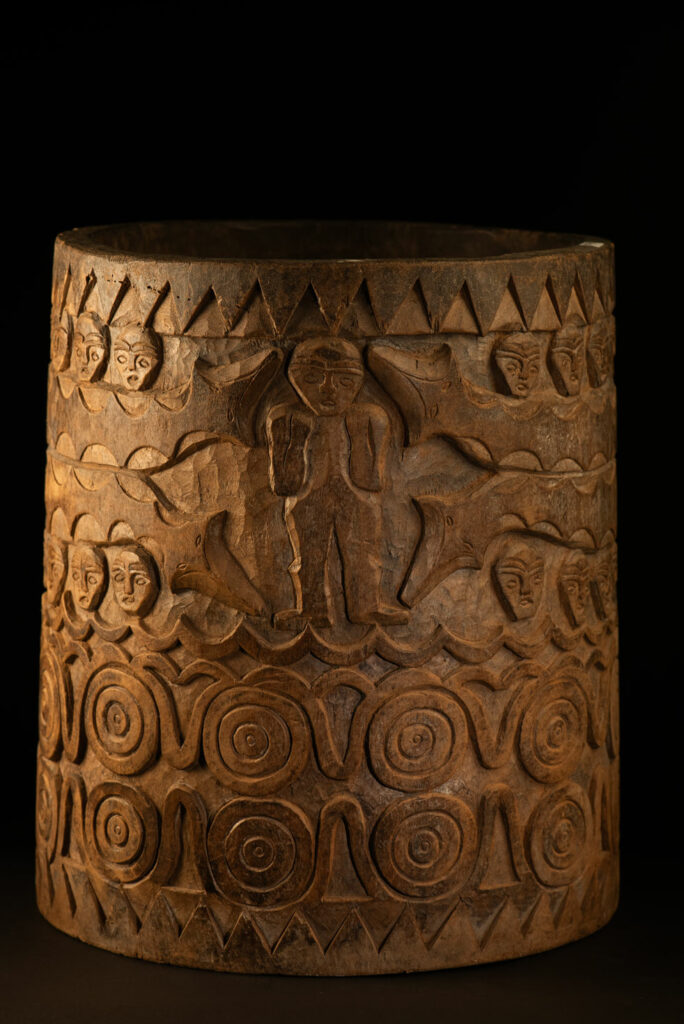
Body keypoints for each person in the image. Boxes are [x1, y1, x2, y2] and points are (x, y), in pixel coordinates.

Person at [267, 338, 408, 628]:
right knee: (307, 557)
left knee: (364, 555)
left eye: (343, 380)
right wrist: (295, 443)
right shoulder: (286, 417)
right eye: (312, 378)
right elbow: (284, 485)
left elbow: (370, 480)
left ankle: (365, 607)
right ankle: (311, 610)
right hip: (307, 498)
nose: (328, 390)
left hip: (357, 498)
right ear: (295, 379)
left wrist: (359, 438)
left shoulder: (371, 417)